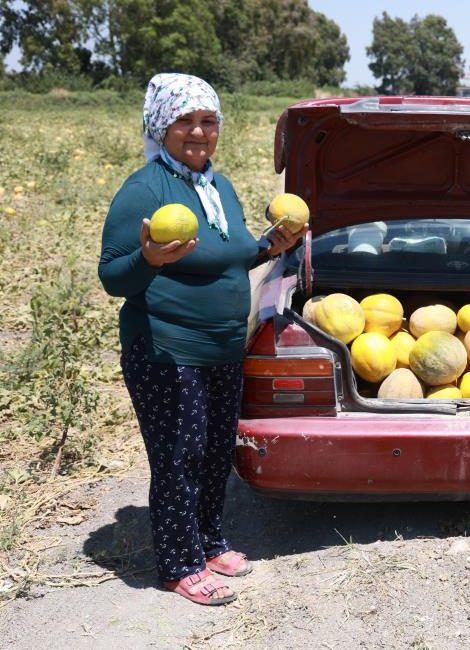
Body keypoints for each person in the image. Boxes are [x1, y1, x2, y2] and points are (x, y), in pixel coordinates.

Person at [98, 73, 304, 605]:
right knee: (179, 455)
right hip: (168, 350)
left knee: (215, 453)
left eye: (208, 121)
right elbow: (112, 277)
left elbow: (229, 257)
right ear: (159, 127)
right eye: (184, 121)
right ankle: (178, 563)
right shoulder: (144, 190)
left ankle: (209, 540)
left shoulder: (220, 188)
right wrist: (147, 259)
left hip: (221, 349)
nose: (198, 132)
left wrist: (270, 245)